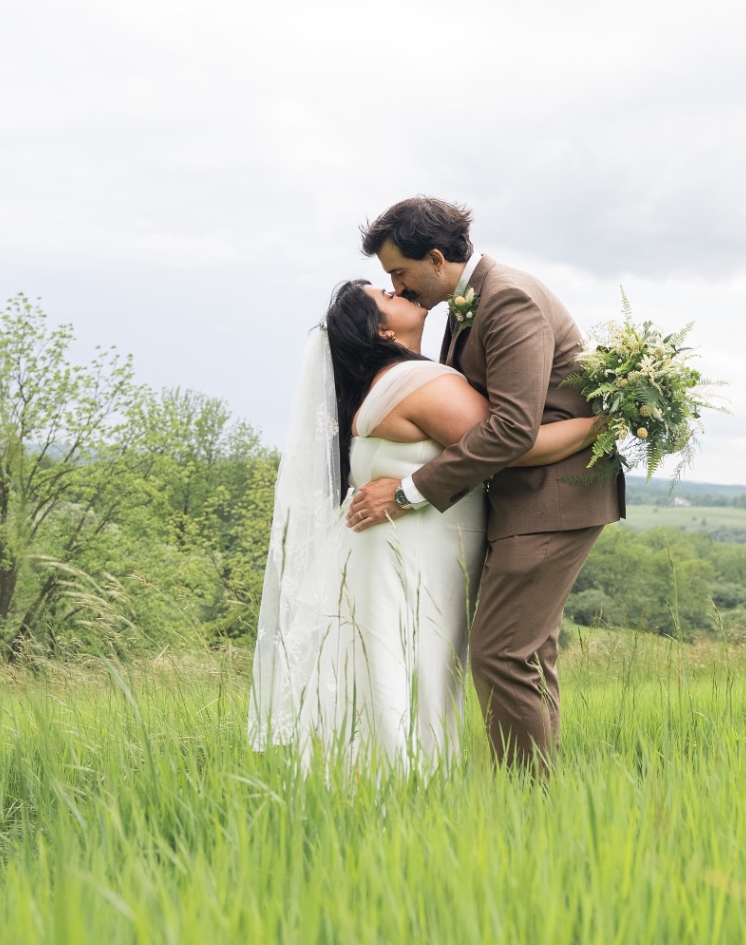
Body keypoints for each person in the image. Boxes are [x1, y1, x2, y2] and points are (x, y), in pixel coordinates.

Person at [249, 279, 596, 771]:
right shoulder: (421, 384)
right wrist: (604, 421)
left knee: (389, 679)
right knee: (418, 675)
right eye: (387, 298)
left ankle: (379, 796)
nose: (400, 290)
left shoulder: (385, 385)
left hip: (391, 556)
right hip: (413, 562)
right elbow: (513, 445)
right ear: (384, 333)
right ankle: (412, 794)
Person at [347, 197, 625, 778]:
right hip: (530, 496)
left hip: (554, 495)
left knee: (500, 654)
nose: (396, 286)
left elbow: (513, 426)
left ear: (437, 257)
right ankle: (539, 800)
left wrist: (407, 492)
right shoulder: (469, 303)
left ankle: (527, 803)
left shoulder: (508, 297)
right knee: (528, 653)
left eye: (399, 272)